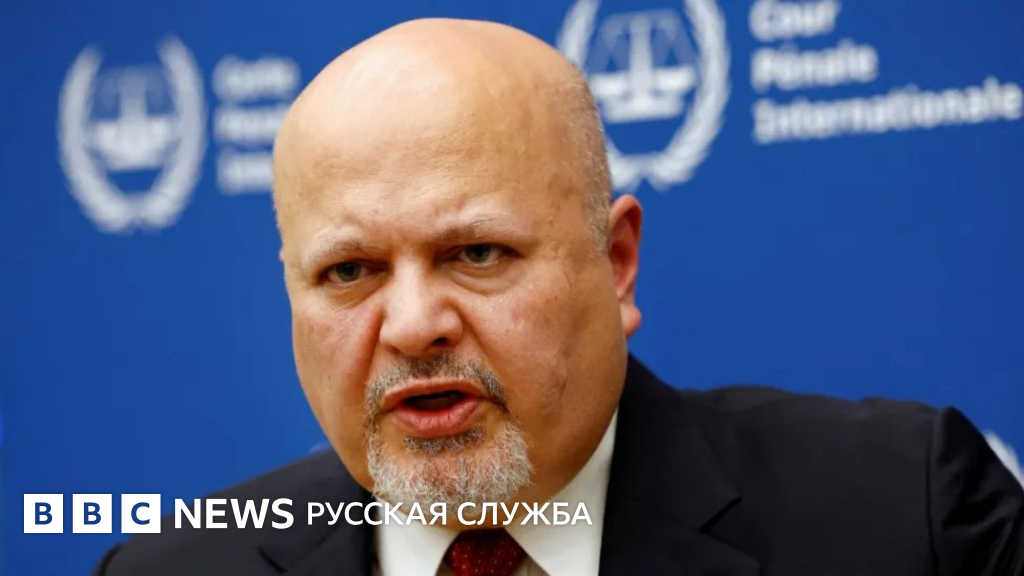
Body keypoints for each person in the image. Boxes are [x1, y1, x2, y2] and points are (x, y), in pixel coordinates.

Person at [94, 18, 1023, 576]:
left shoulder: (905, 520)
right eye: (349, 272)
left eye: (476, 253)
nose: (412, 326)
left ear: (616, 263)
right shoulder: (174, 567)